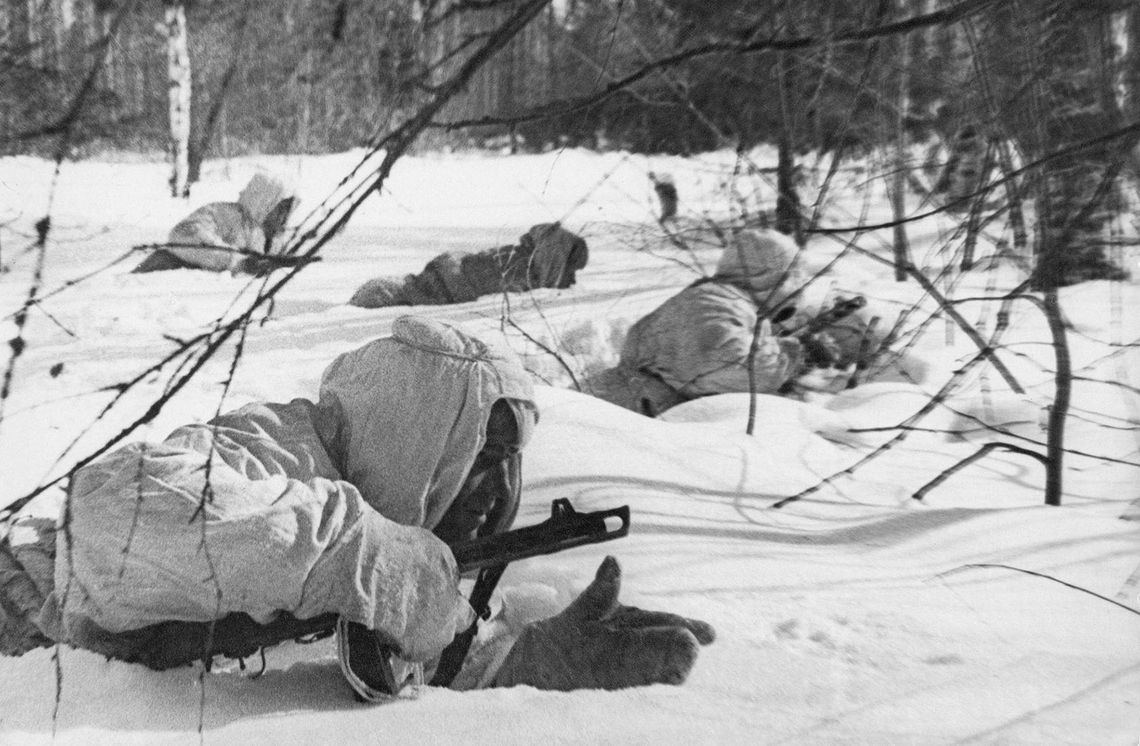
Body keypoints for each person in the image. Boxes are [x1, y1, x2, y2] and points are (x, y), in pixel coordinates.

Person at [0, 316, 713, 700]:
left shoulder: (391, 515)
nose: (498, 495)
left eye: (510, 467)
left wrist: (533, 663)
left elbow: (426, 626)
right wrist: (362, 555)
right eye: (479, 460)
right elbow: (110, 515)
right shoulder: (268, 451)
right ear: (416, 443)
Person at [587, 229, 878, 416]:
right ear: (769, 277)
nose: (796, 289)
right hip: (616, 419)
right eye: (792, 278)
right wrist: (799, 354)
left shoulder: (719, 300)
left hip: (623, 412)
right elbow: (740, 367)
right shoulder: (714, 304)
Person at [349, 223, 588, 308]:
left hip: (454, 271)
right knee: (412, 291)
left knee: (410, 289)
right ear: (559, 259)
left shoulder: (526, 255)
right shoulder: (526, 268)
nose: (572, 278)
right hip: (451, 280)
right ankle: (375, 296)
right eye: (571, 270)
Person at [133, 172, 298, 274]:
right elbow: (184, 234)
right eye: (279, 209)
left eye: (286, 211)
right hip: (167, 269)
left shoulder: (273, 240)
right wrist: (236, 262)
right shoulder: (228, 214)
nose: (283, 217)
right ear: (265, 203)